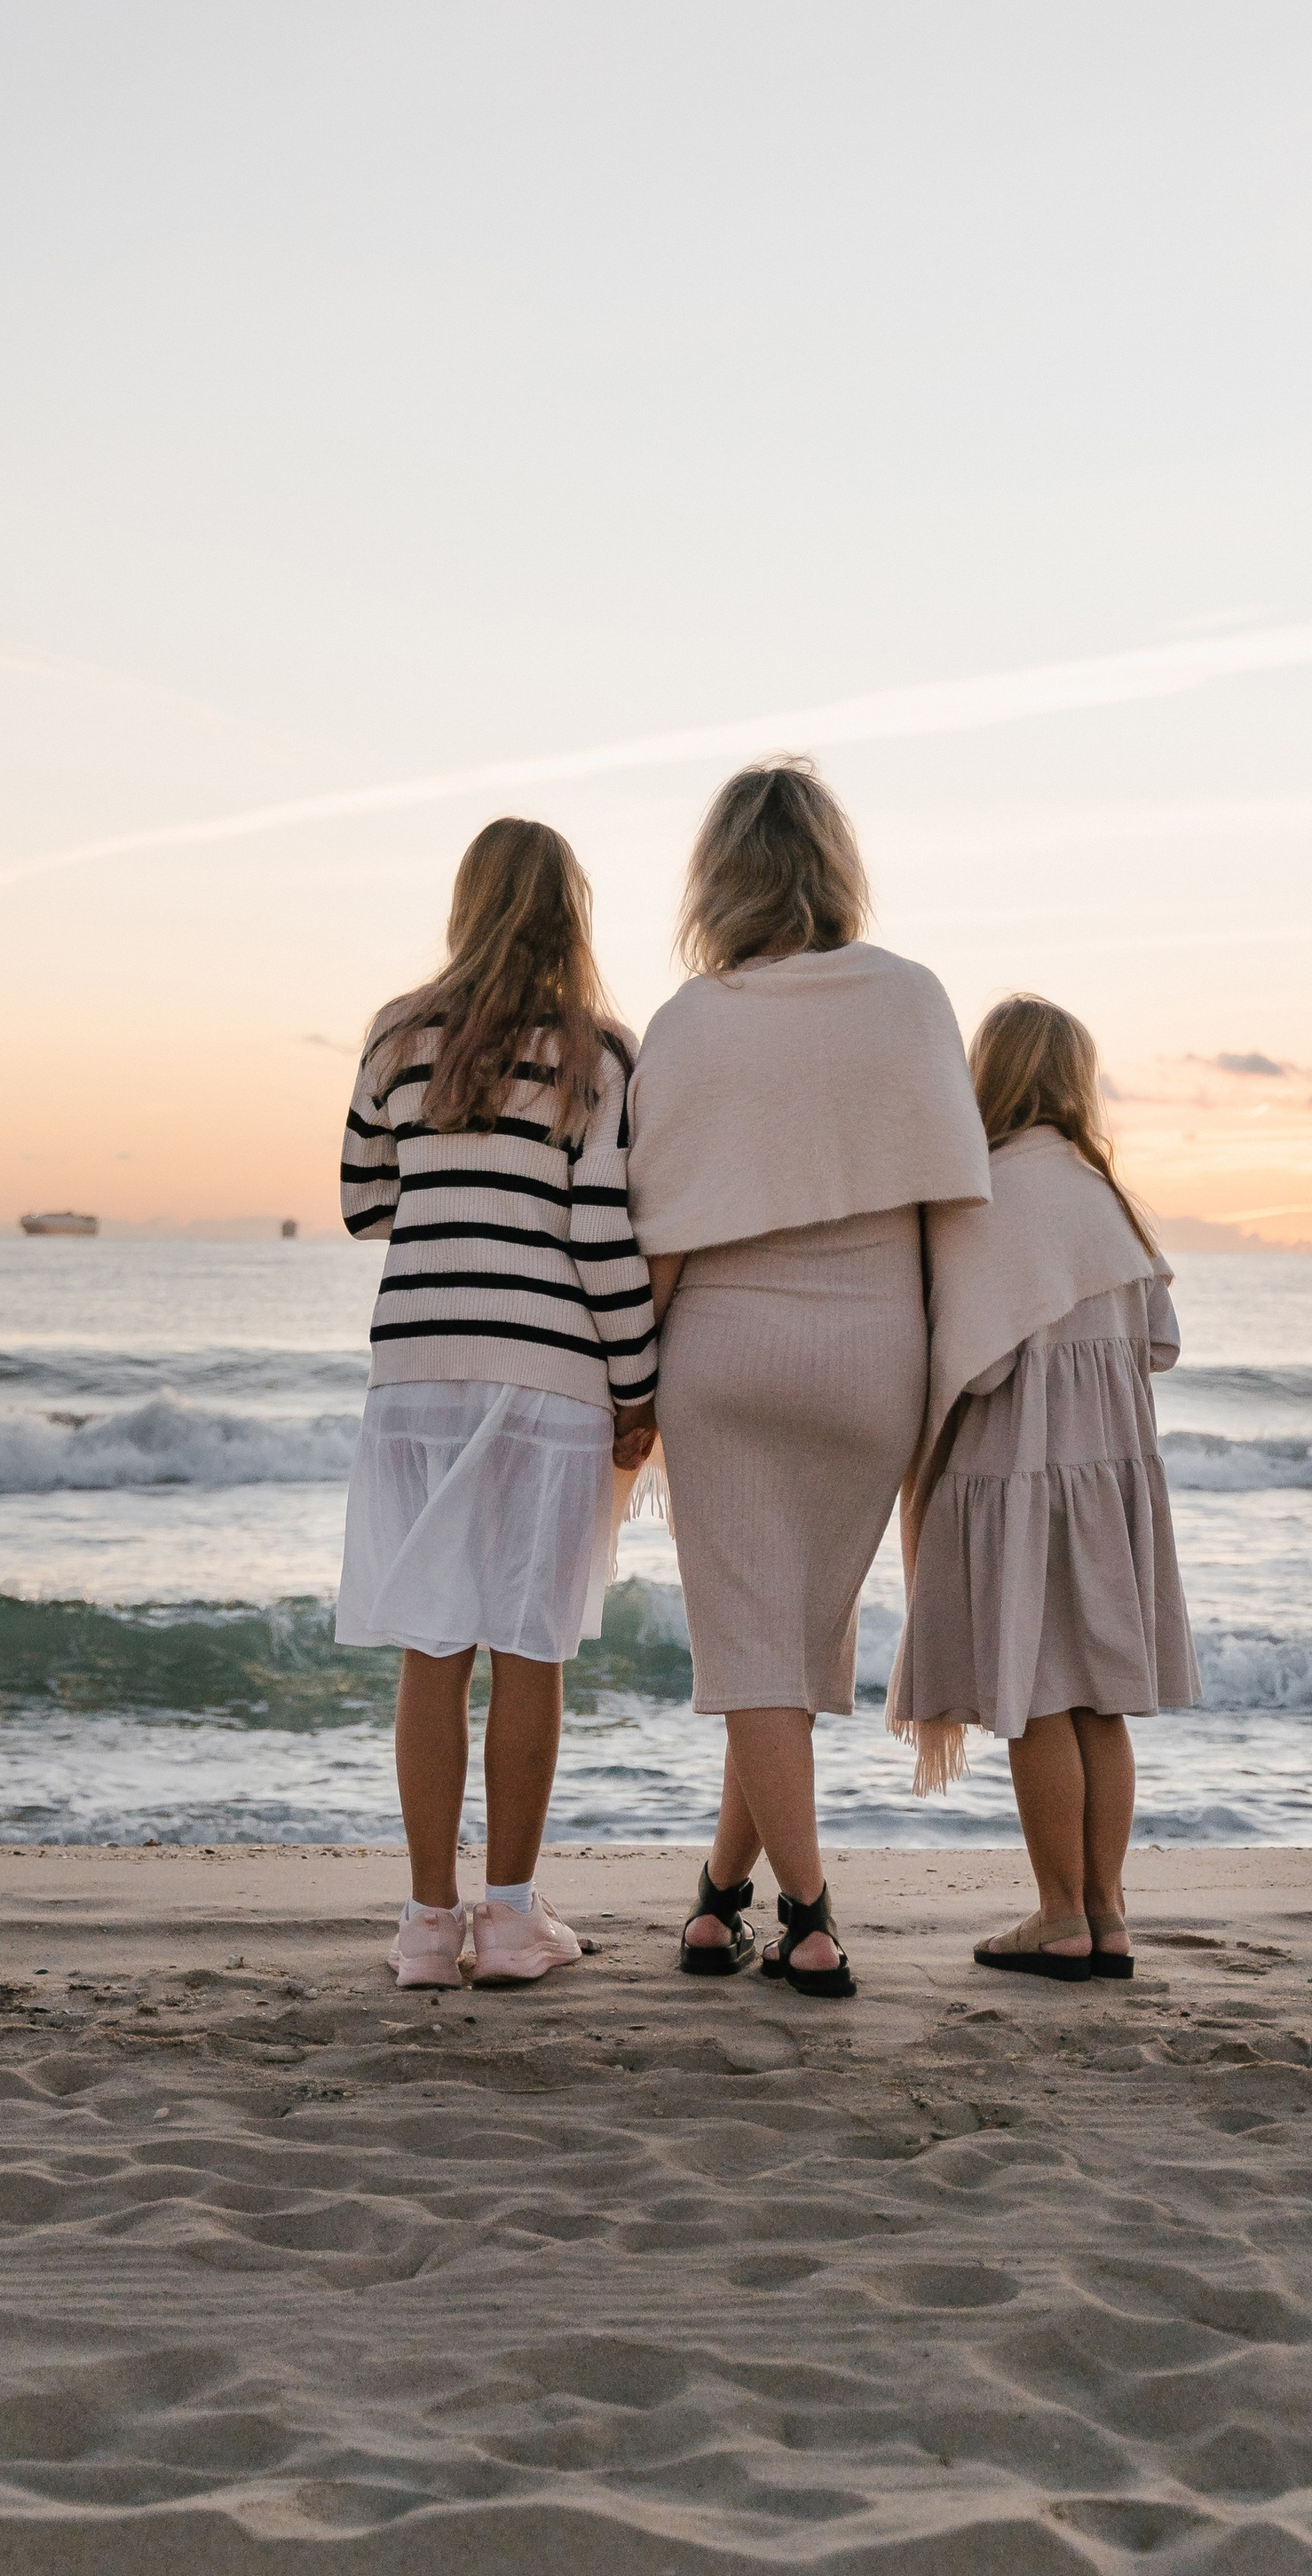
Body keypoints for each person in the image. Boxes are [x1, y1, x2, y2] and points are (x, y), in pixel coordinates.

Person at [625, 760, 990, 1998]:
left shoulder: (694, 1017)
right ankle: (718, 1907)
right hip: (874, 1353)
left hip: (725, 1352)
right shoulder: (913, 998)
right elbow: (957, 1208)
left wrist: (632, 1393)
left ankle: (811, 1915)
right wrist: (946, 1387)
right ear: (838, 866)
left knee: (752, 1651)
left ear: (717, 878)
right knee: (780, 1646)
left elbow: (660, 1233)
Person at [335, 817, 659, 1990]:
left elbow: (364, 1200)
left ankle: (428, 1926)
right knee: (531, 1648)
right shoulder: (600, 1057)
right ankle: (513, 1921)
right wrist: (640, 1384)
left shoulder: (395, 1035)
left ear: (466, 905)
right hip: (549, 1373)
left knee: (434, 1645)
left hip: (419, 1367)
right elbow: (606, 1240)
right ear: (572, 912)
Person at [887, 992, 1199, 1981]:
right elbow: (1162, 1342)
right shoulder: (1106, 1196)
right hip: (1108, 1487)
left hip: (1015, 1480)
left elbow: (970, 1369)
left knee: (1034, 1699)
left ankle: (1057, 1914)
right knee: (1099, 1701)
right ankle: (1107, 1913)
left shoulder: (986, 1194)